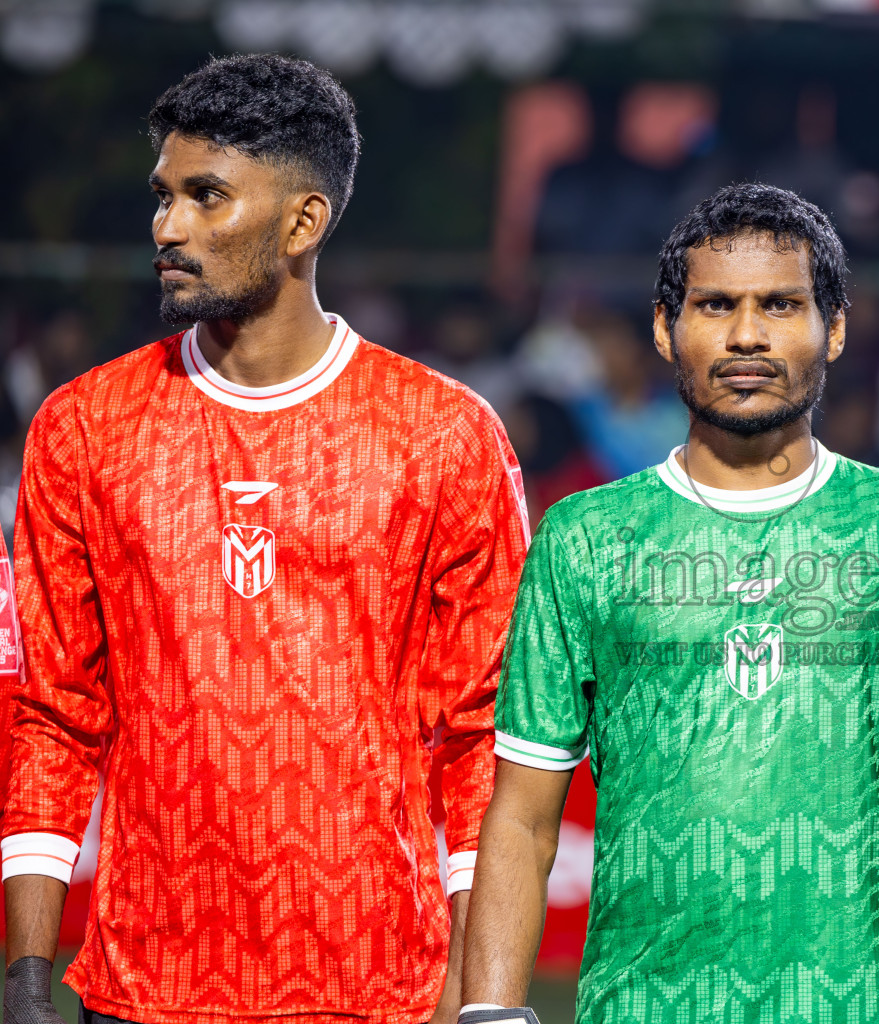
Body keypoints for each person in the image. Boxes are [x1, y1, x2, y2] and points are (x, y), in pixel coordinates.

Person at [0, 55, 527, 1024]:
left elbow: (480, 732)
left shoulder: (443, 435)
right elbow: (51, 712)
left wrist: (476, 982)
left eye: (207, 196)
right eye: (162, 196)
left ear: (302, 222)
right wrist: (28, 973)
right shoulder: (82, 430)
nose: (168, 226)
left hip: (381, 984)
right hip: (142, 984)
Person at [459, 184, 879, 1024]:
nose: (748, 334)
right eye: (716, 304)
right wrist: (489, 1010)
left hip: (859, 1008)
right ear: (663, 328)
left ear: (835, 327)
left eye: (781, 305)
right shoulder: (584, 538)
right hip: (639, 1006)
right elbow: (524, 818)